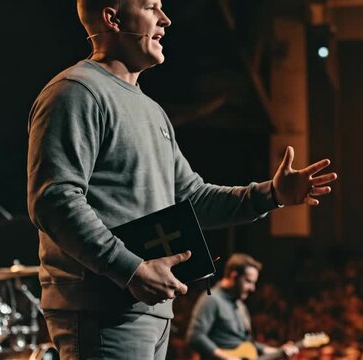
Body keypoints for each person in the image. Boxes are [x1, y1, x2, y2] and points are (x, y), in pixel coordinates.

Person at [26, 0, 337, 359]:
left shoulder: (152, 111)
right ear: (112, 18)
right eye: (151, 7)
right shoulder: (75, 92)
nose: (166, 19)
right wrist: (131, 270)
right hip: (102, 308)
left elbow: (193, 198)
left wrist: (270, 195)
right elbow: (54, 200)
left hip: (149, 307)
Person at [186, 253, 299, 360]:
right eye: (249, 281)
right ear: (233, 276)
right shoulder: (212, 299)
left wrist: (278, 351)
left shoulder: (240, 306)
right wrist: (227, 358)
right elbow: (195, 336)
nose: (252, 288)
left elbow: (247, 344)